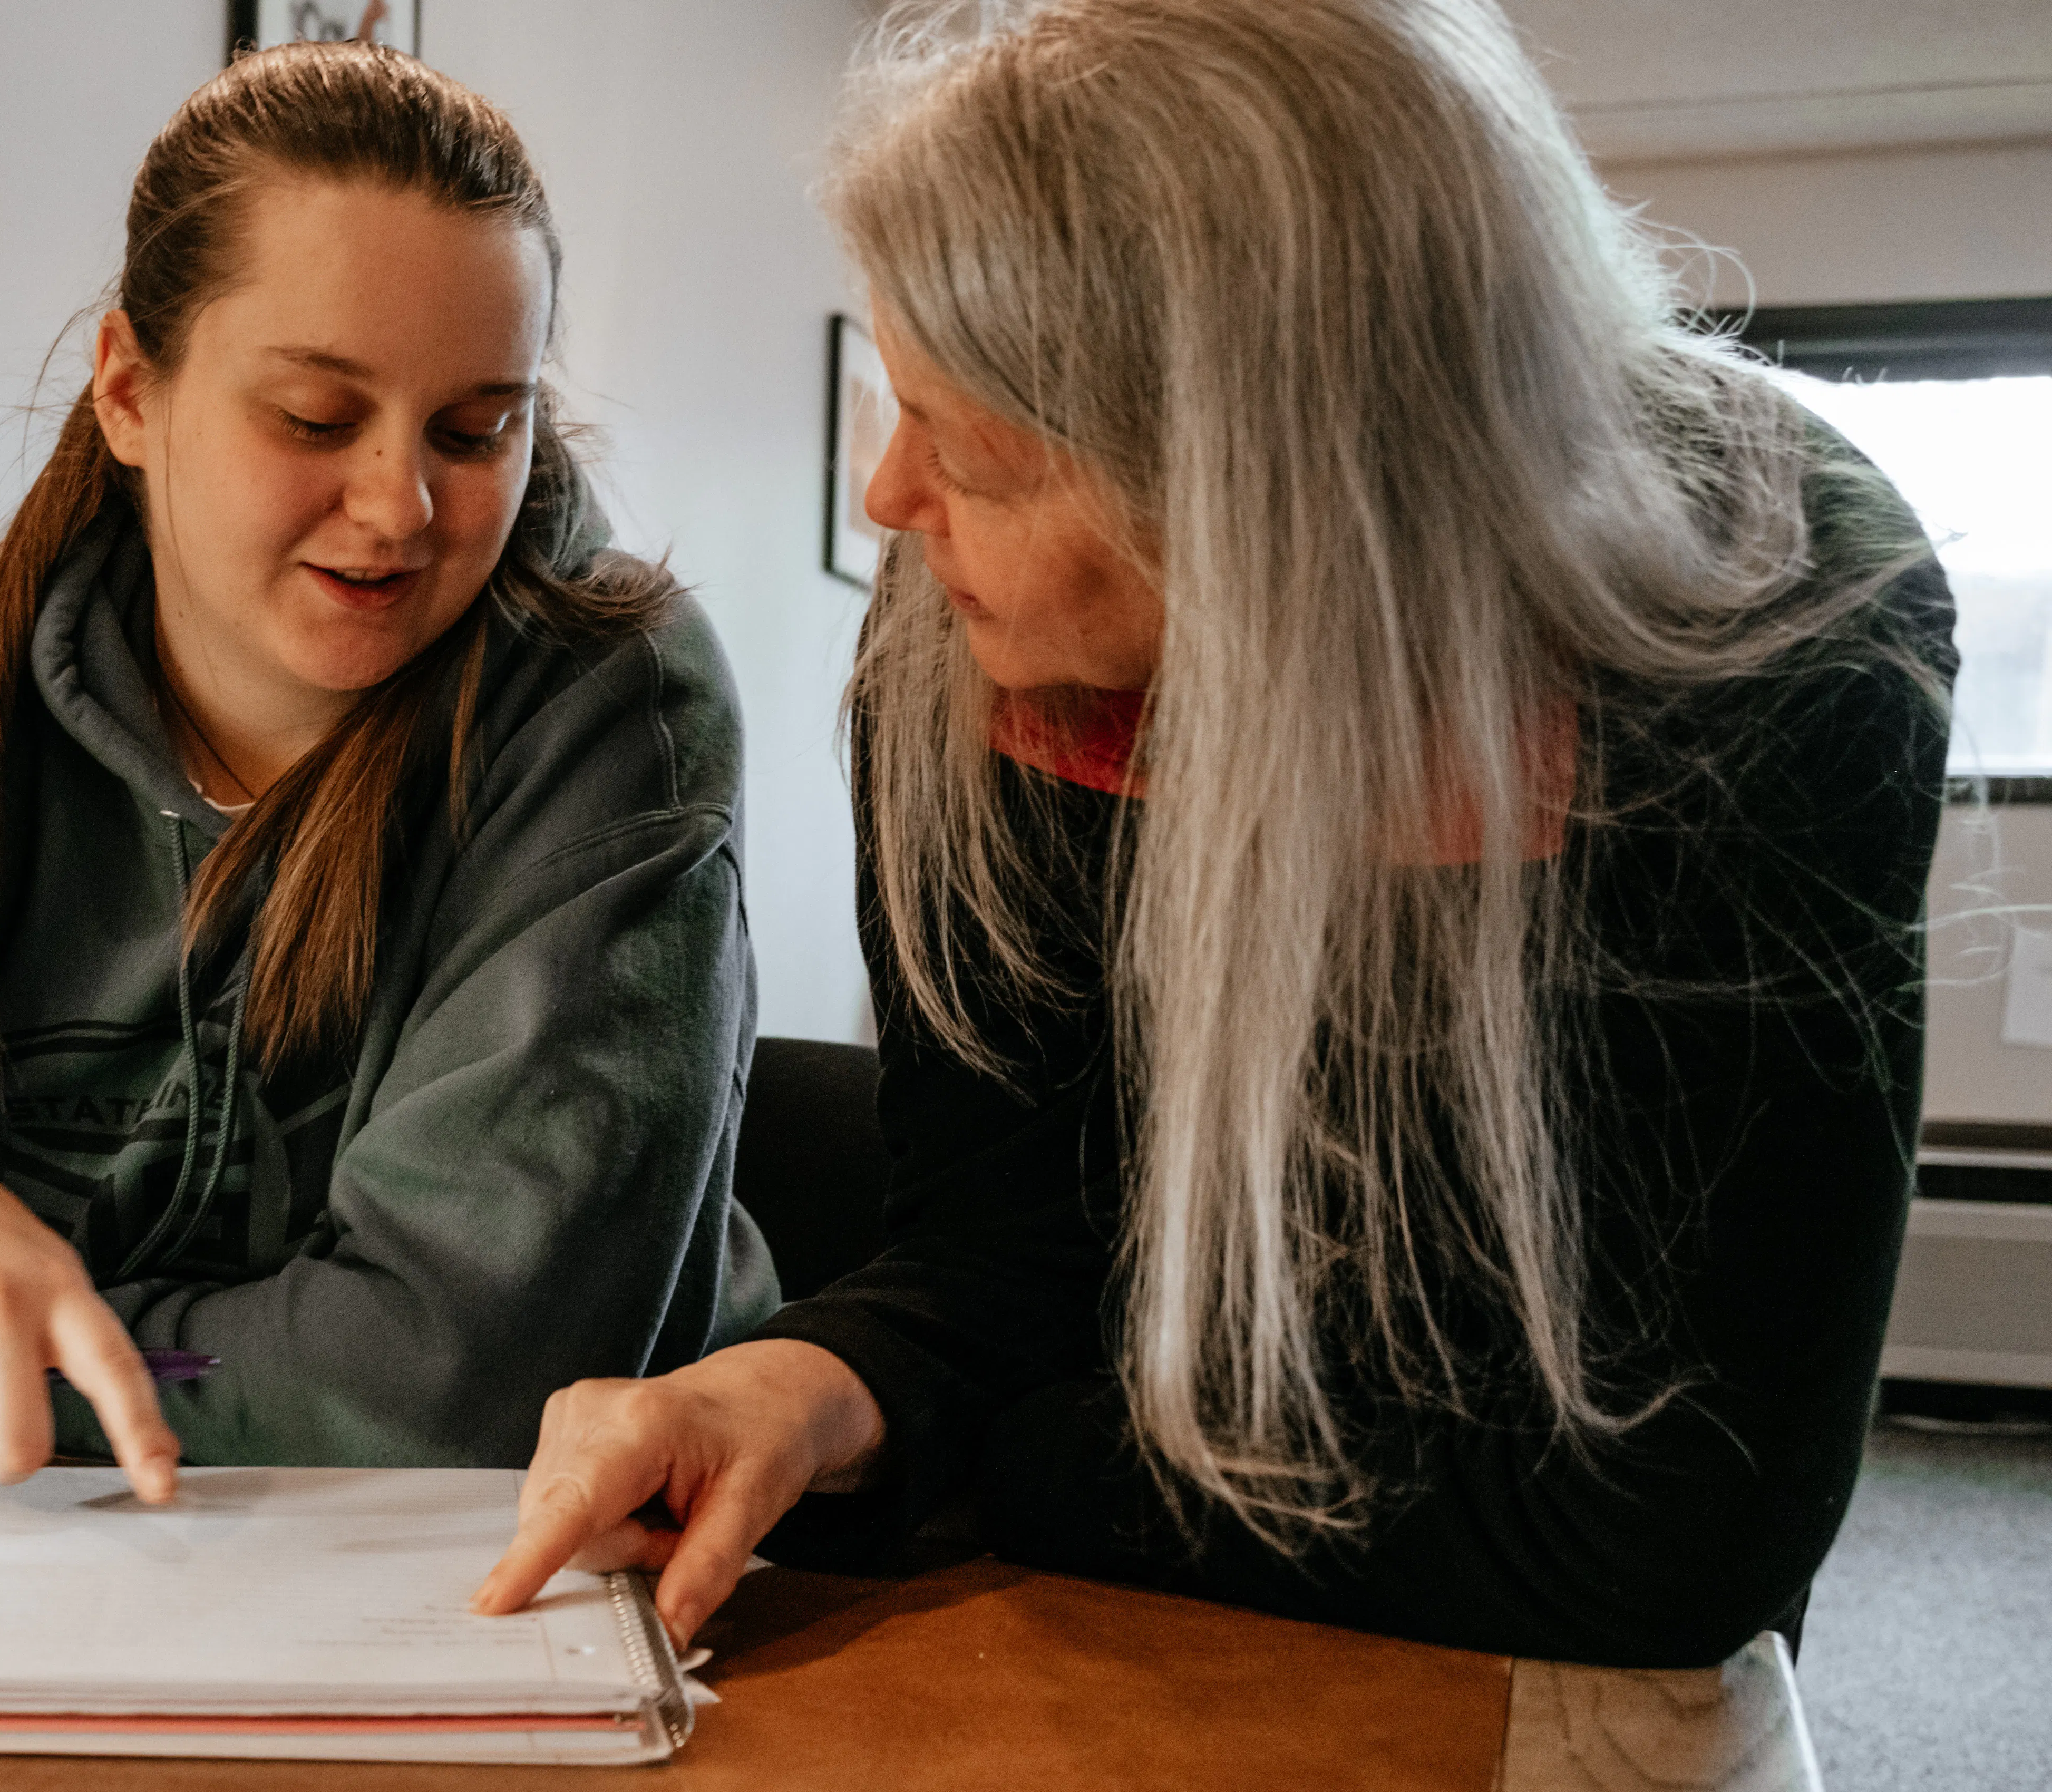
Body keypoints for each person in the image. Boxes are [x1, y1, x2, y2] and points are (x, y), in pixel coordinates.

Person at [476, 0, 1953, 1672]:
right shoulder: (970, 632)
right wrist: (808, 1390)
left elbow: (1668, 1533)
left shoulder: (1782, 612)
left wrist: (1009, 1460)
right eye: (905, 406)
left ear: (1265, 491)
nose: (891, 499)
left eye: (977, 450)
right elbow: (1007, 1250)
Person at [0, 42, 776, 1499]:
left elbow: (453, 1394)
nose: (398, 506)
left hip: (473, 1618)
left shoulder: (618, 702)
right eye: (313, 417)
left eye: (477, 430)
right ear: (128, 389)